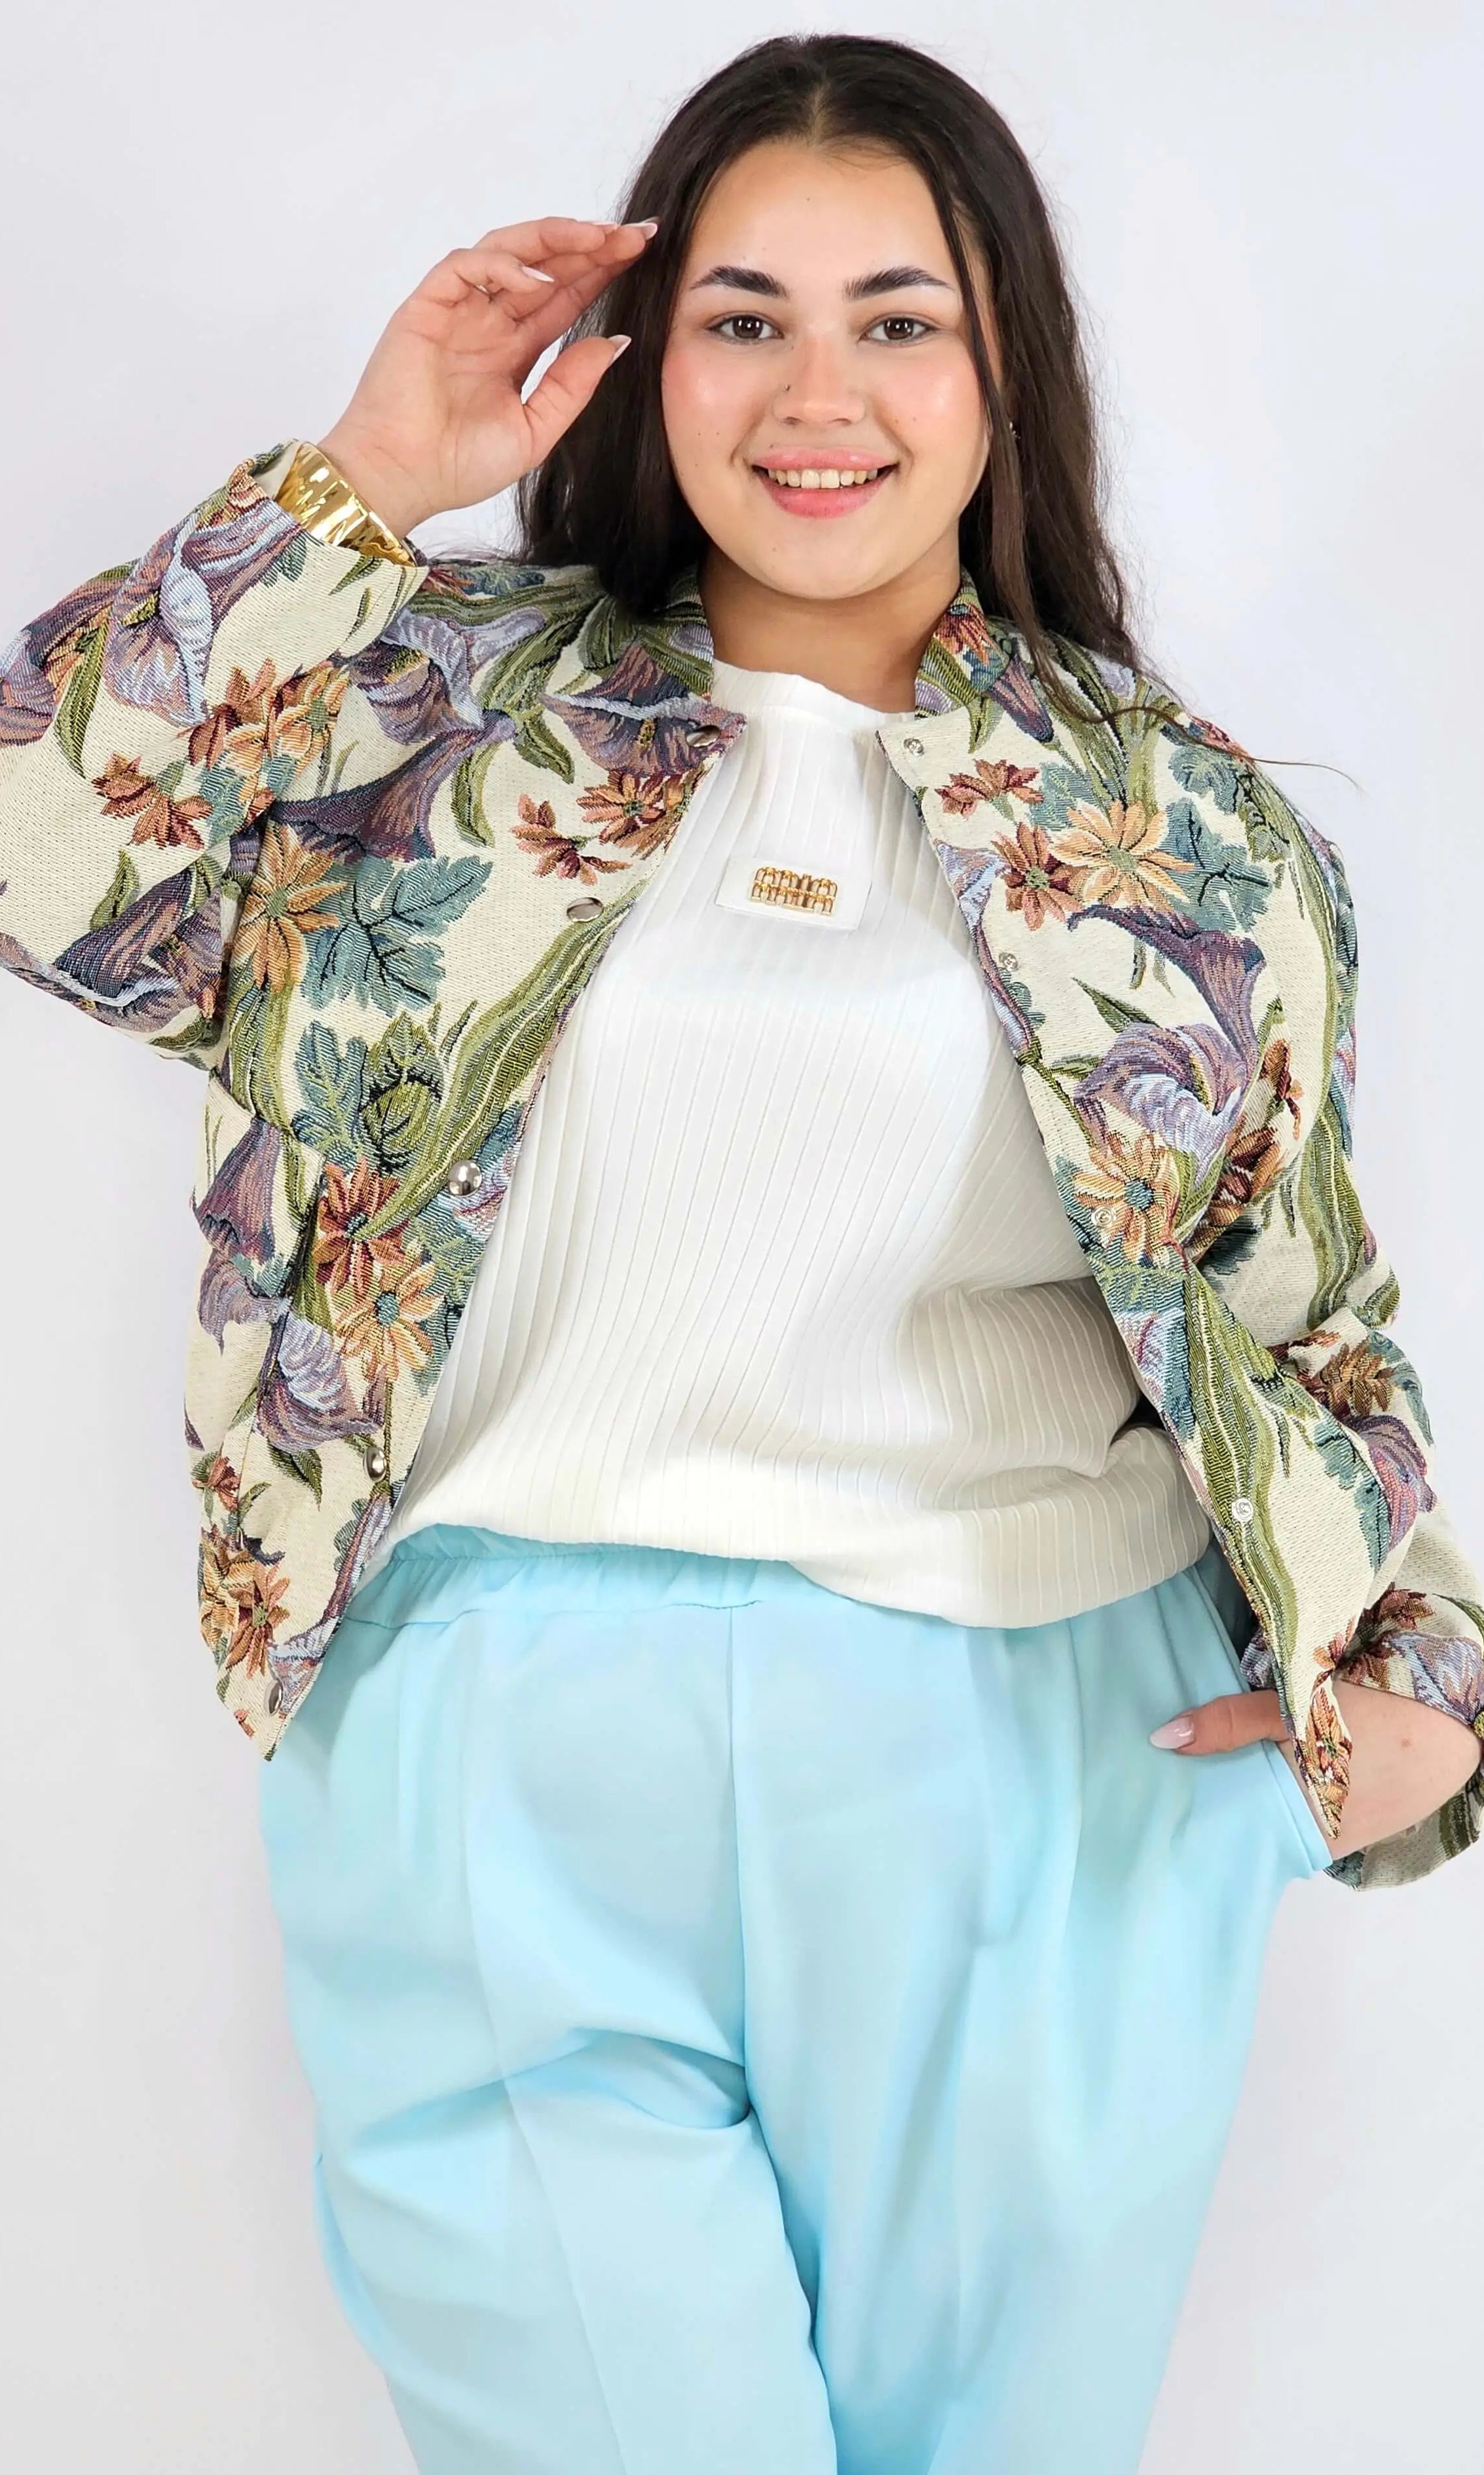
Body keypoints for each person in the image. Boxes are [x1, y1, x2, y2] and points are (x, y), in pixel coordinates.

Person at [3, 30, 1481, 2475]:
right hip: (492, 1744)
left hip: (1046, 1757)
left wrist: (1417, 1678)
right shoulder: (421, 717)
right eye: (742, 318)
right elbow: (42, 859)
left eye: (897, 320)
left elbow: (1293, 1300)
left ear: (1002, 363)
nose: (819, 394)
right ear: (641, 357)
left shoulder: (1180, 825)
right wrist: (364, 481)